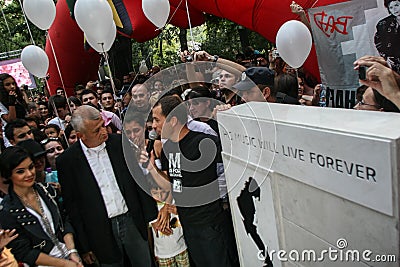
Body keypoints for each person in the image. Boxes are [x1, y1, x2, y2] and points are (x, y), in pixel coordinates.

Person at [56, 105, 158, 267]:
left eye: (103, 126)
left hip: (132, 220)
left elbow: (137, 180)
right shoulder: (67, 162)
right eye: (96, 131)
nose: (103, 132)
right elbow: (73, 206)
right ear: (81, 135)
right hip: (99, 230)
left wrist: (152, 217)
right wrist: (84, 246)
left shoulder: (120, 144)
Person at [147, 95, 239, 267]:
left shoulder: (203, 142)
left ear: (172, 120)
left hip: (210, 225)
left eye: (157, 120)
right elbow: (173, 181)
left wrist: (228, 120)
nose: (154, 125)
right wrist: (153, 169)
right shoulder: (167, 148)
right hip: (188, 225)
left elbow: (234, 162)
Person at [0, 146, 82, 267]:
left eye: (31, 167)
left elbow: (64, 221)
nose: (29, 174)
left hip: (73, 256)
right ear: (9, 175)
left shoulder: (47, 190)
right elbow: (24, 252)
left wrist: (72, 252)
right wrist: (64, 264)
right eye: (20, 171)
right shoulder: (7, 210)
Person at [374, 0, 400, 74]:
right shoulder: (383, 24)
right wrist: (386, 57)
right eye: (391, 7)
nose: (394, 10)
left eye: (396, 5)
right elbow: (379, 42)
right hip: (394, 62)